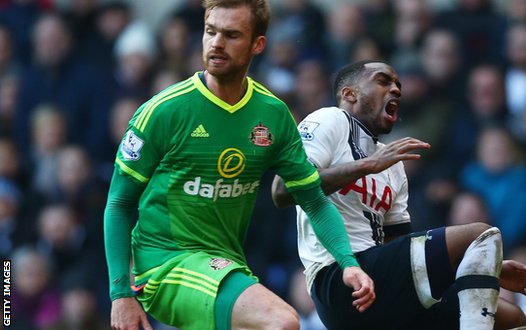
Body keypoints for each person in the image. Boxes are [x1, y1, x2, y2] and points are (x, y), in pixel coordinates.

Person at [103, 1, 375, 330]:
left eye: (231, 35)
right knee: (281, 321)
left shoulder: (273, 115)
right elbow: (119, 203)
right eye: (210, 32)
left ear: (257, 44)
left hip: (227, 263)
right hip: (166, 264)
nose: (217, 43)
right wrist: (120, 294)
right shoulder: (162, 112)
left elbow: (314, 201)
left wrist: (347, 263)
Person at [272, 60, 526, 330]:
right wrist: (367, 165)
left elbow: (401, 249)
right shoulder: (329, 120)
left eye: (398, 84)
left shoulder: (392, 165)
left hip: (378, 284)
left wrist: (482, 265)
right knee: (480, 233)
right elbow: (283, 191)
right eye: (383, 81)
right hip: (336, 279)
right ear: (349, 94)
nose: (395, 89)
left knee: (510, 318)